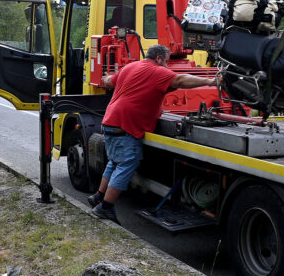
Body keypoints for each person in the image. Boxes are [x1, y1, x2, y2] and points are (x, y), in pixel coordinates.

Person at [89, 44, 218, 223]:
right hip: (127, 125)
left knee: (114, 162)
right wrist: (211, 81)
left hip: (110, 120)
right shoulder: (157, 71)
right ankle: (105, 207)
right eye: (166, 61)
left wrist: (105, 78)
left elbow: (110, 81)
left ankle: (98, 196)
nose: (167, 66)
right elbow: (181, 80)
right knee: (127, 164)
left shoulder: (131, 66)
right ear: (158, 59)